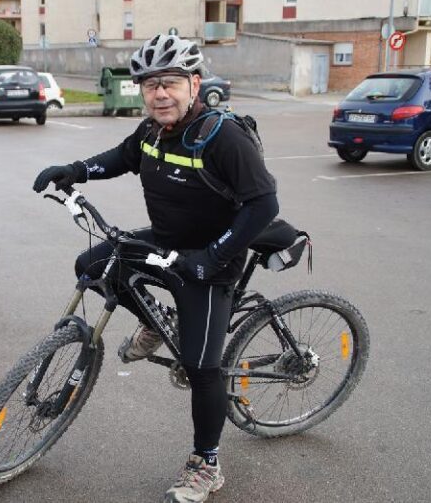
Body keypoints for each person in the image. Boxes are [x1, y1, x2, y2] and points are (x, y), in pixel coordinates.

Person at [32, 34, 278, 503]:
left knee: (202, 368)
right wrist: (74, 170)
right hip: (166, 242)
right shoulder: (151, 130)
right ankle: (156, 322)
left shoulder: (223, 137)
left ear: (194, 85)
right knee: (94, 265)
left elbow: (264, 205)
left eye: (170, 83)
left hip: (211, 262)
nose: (160, 93)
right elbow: (121, 158)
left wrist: (211, 259)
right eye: (150, 85)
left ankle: (206, 463)